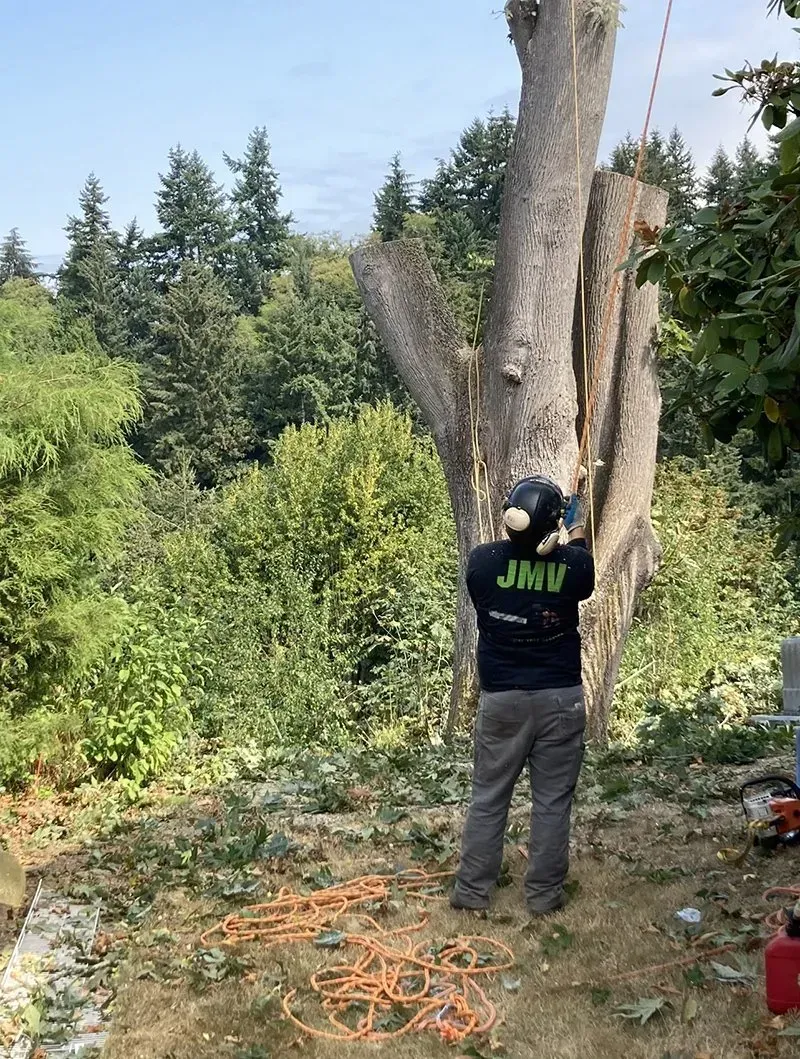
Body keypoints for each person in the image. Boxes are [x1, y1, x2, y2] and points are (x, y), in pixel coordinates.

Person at [451, 474, 595, 917]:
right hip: (559, 699)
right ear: (551, 527)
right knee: (552, 800)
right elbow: (580, 571)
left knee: (489, 796)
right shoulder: (574, 566)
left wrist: (554, 529)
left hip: (502, 702)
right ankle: (544, 896)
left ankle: (472, 893)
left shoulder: (482, 562)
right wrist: (576, 522)